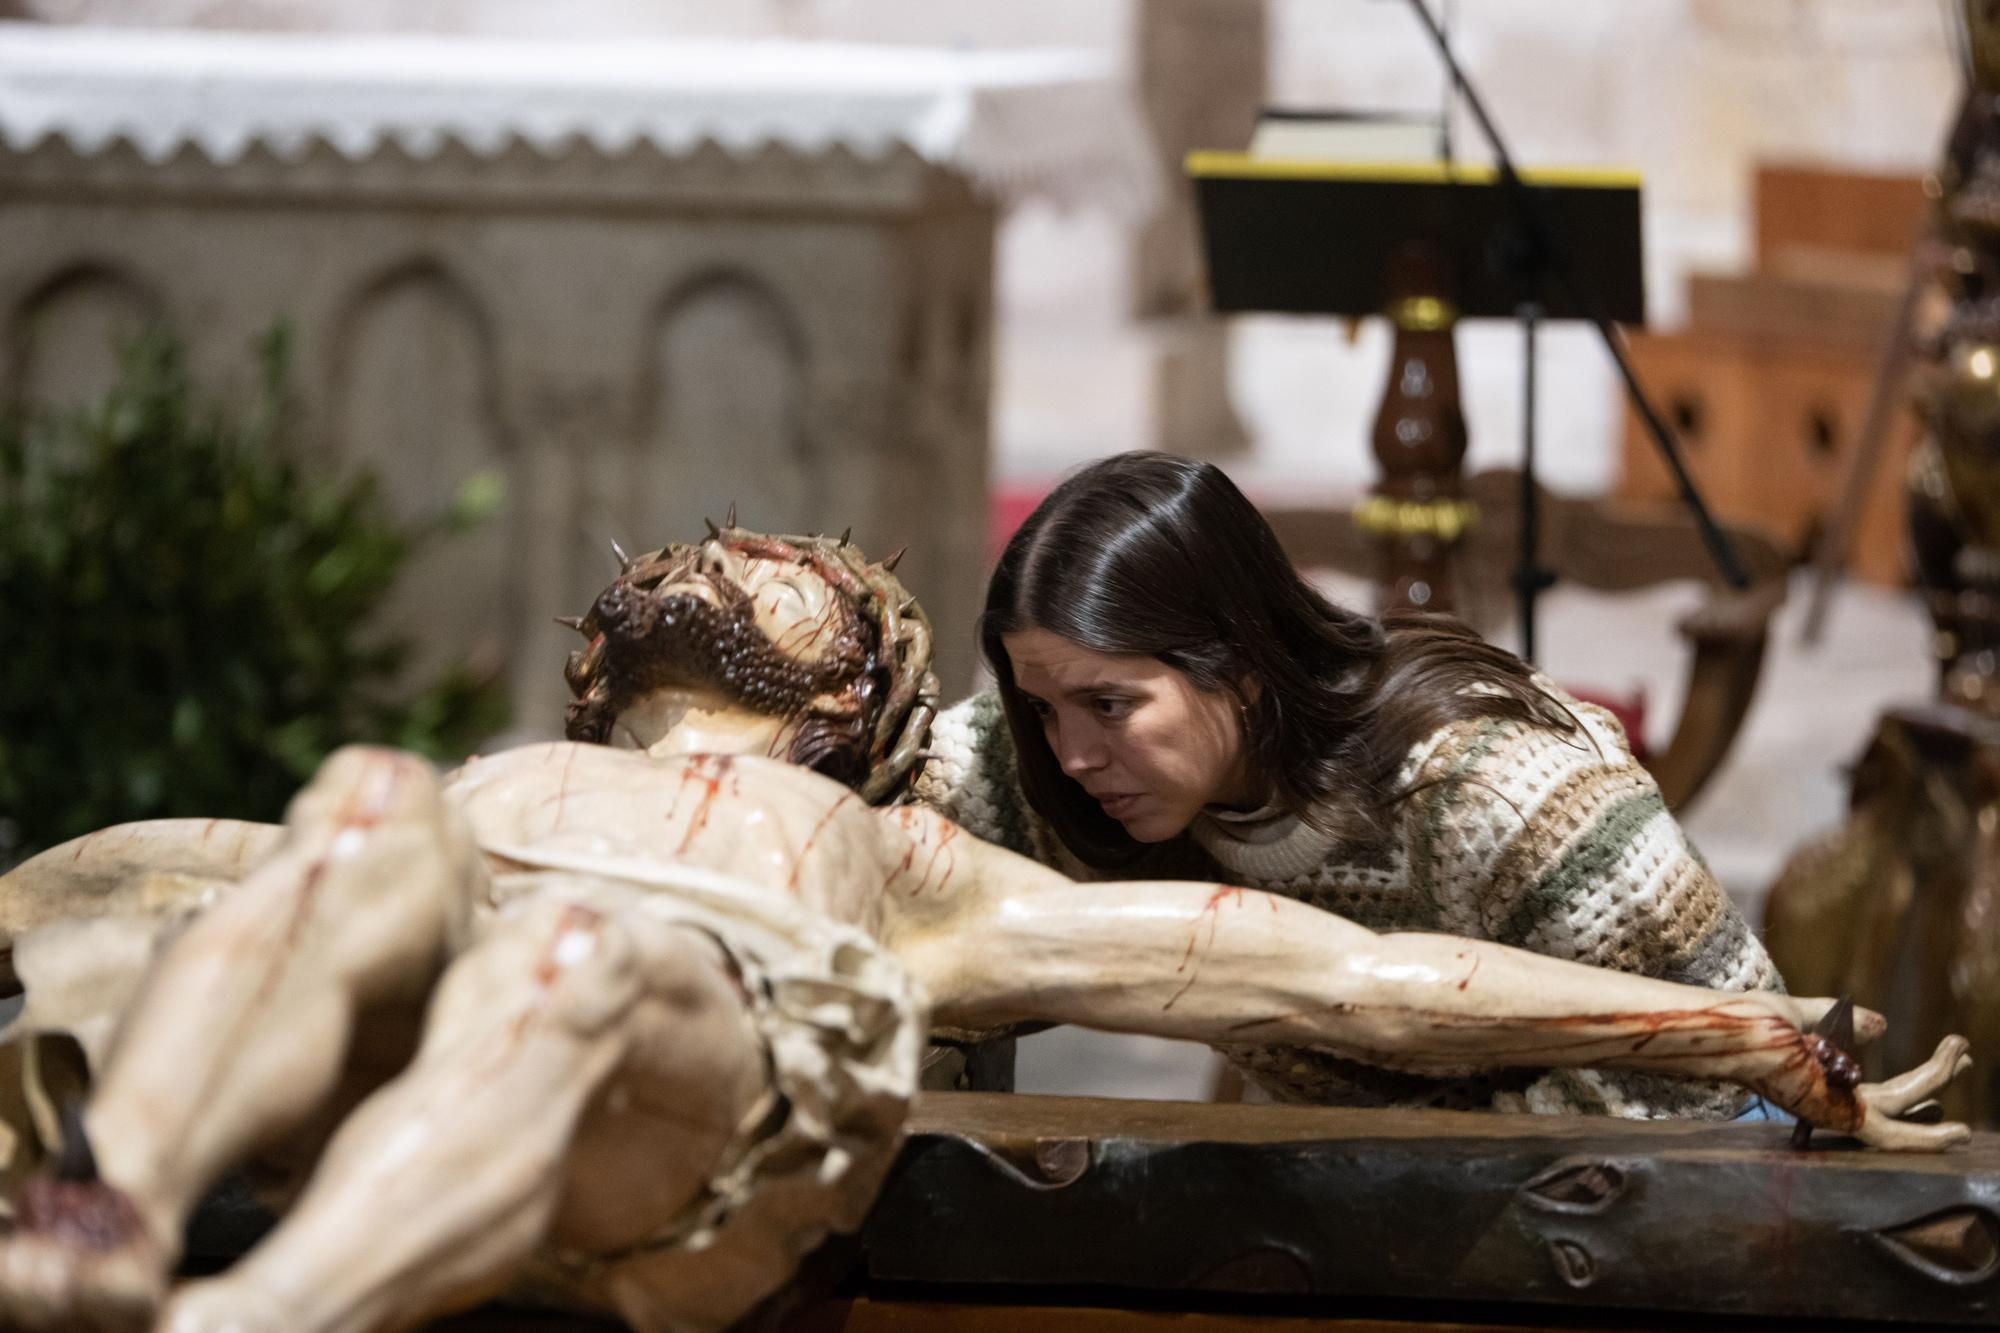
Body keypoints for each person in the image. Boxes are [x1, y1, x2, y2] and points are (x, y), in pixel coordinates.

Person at [0, 525, 1966, 1333]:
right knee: (344, 812)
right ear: (600, 653)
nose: (744, 542)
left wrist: (1744, 1040)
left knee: (567, 967)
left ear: (858, 693)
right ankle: (99, 1216)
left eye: (795, 557)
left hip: (664, 1081)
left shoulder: (906, 862)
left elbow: (1351, 978)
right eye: (711, 548)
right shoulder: (488, 784)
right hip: (439, 1012)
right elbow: (164, 893)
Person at [916, 451, 1782, 1118]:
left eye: (1108, 703)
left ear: (1240, 663)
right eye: (1042, 707)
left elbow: (1719, 1063)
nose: (1072, 753)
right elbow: (886, 788)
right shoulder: (1087, 768)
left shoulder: (1492, 793)